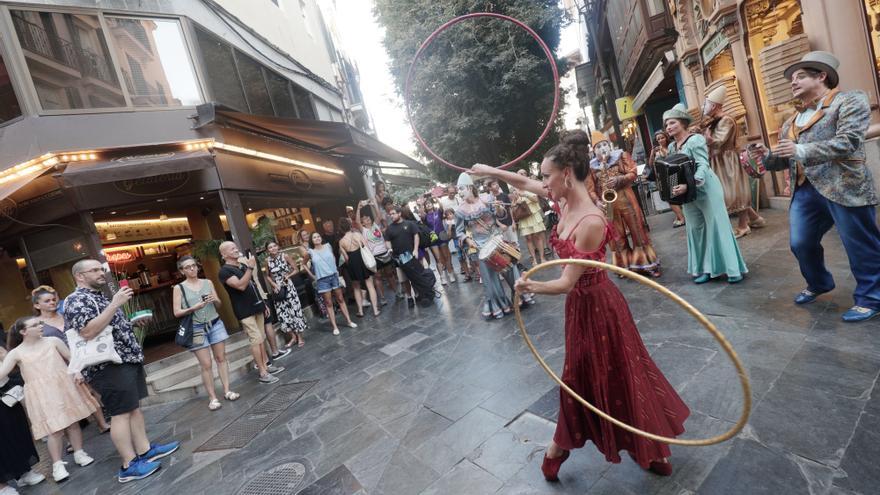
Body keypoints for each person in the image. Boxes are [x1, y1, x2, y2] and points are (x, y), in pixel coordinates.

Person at [471, 129, 689, 481]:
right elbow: (524, 183)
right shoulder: (562, 199)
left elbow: (565, 283)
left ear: (566, 175)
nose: (543, 183)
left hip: (599, 305)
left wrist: (528, 285)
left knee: (620, 371)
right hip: (579, 307)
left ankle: (640, 446)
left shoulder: (590, 221)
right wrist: (492, 171)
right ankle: (584, 445)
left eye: (547, 176)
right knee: (582, 376)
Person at [749, 51, 880, 322]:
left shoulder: (849, 99)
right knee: (801, 242)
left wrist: (800, 149)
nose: (792, 83)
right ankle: (819, 282)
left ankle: (872, 297)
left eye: (800, 76)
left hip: (843, 184)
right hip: (805, 190)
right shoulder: (790, 121)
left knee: (859, 243)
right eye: (791, 79)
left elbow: (849, 142)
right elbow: (787, 157)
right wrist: (767, 155)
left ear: (821, 76)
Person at [64, 259, 180, 483]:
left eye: (101, 269)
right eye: (95, 270)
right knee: (120, 413)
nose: (101, 273)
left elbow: (108, 326)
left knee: (133, 408)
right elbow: (88, 331)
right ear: (79, 276)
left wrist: (132, 323)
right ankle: (128, 464)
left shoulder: (98, 297)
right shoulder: (75, 300)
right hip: (107, 366)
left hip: (126, 359)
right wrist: (115, 304)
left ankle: (145, 450)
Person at [0, 317, 96, 482]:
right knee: (55, 429)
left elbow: (71, 358)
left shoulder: (53, 341)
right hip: (41, 394)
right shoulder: (16, 352)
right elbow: (2, 373)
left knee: (73, 422)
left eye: (40, 323)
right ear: (23, 331)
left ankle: (79, 453)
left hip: (63, 386)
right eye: (35, 325)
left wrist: (77, 371)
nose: (40, 326)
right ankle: (57, 465)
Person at [664, 104, 748, 283]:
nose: (668, 127)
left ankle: (732, 269)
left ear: (682, 123)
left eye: (672, 123)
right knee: (695, 229)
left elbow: (703, 164)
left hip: (706, 187)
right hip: (686, 193)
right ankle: (704, 269)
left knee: (718, 226)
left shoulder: (696, 140)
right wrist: (674, 186)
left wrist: (690, 184)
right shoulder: (671, 147)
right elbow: (674, 170)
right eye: (666, 125)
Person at [455, 173, 534, 319]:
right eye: (458, 189)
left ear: (469, 187)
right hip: (480, 246)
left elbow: (501, 214)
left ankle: (521, 297)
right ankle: (500, 306)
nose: (459, 192)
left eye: (461, 188)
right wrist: (467, 239)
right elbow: (458, 232)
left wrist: (498, 209)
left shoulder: (487, 199)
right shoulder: (460, 210)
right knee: (490, 278)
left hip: (497, 239)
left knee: (510, 269)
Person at [32, 286, 110, 433]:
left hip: (81, 356)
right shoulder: (36, 324)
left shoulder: (66, 315)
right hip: (58, 364)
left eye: (54, 299)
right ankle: (71, 436)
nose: (52, 302)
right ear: (37, 305)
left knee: (91, 391)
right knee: (68, 398)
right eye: (47, 301)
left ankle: (102, 423)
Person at [587, 130, 661, 277]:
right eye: (598, 147)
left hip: (626, 199)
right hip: (609, 205)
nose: (602, 149)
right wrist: (597, 201)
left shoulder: (621, 156)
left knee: (638, 231)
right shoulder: (592, 167)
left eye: (604, 145)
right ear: (594, 151)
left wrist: (620, 179)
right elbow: (590, 189)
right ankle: (624, 267)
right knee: (617, 237)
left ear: (609, 145)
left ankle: (647, 264)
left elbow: (633, 173)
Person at [172, 256, 239, 411]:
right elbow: (176, 312)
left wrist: (213, 300)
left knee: (221, 358)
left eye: (194, 265)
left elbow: (219, 304)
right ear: (182, 271)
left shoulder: (208, 282)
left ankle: (227, 390)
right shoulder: (179, 288)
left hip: (215, 323)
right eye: (187, 267)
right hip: (196, 328)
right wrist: (193, 308)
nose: (192, 269)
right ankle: (212, 398)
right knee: (206, 364)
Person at [702, 86, 766, 238]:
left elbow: (718, 142)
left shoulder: (726, 120)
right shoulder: (716, 121)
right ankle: (755, 219)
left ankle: (743, 226)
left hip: (727, 160)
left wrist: (705, 137)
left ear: (714, 105)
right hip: (720, 159)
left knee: (733, 192)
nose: (704, 107)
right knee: (732, 191)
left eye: (706, 103)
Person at [217, 243, 284, 384]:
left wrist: (263, 303)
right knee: (256, 339)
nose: (236, 249)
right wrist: (251, 267)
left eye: (236, 247)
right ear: (224, 255)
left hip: (257, 306)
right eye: (232, 249)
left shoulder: (242, 266)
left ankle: (266, 366)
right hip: (244, 310)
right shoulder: (224, 271)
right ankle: (262, 372)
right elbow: (241, 285)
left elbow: (252, 286)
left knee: (261, 338)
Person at [0, 338, 45, 492]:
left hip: (5, 392)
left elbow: (9, 362)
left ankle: (24, 472)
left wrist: (4, 355)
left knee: (18, 431)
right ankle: (2, 486)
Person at [301, 232, 357, 335]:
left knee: (340, 299)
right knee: (329, 303)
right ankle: (335, 327)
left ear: (321, 238)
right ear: (311, 240)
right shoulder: (310, 252)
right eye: (314, 237)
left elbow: (333, 258)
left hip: (334, 276)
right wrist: (312, 275)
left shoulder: (328, 246)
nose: (317, 238)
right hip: (322, 280)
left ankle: (349, 321)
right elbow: (303, 264)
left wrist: (334, 269)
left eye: (318, 236)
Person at [385, 205, 437, 307]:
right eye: (390, 214)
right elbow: (387, 241)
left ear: (399, 214)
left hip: (412, 256)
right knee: (404, 280)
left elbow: (416, 236)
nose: (391, 216)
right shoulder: (389, 229)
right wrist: (390, 249)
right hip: (399, 259)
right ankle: (409, 297)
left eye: (393, 213)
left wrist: (415, 250)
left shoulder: (409, 224)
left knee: (416, 277)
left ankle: (420, 294)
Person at [264, 242, 309, 347]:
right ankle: (293, 337)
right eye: (270, 247)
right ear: (267, 250)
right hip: (277, 289)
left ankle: (300, 337)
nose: (273, 248)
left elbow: (296, 269)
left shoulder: (285, 256)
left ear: (278, 246)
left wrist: (288, 276)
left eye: (274, 246)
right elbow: (268, 276)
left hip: (288, 287)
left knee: (294, 311)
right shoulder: (267, 261)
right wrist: (274, 285)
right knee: (283, 313)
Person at [338, 217, 381, 317]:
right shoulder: (358, 234)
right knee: (370, 285)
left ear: (341, 229)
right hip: (363, 260)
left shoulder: (341, 242)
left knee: (356, 287)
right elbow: (366, 247)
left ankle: (360, 311)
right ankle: (375, 310)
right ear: (350, 226)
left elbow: (346, 258)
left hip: (352, 264)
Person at [357, 200, 394, 303]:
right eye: (364, 219)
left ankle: (397, 292)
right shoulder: (363, 230)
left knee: (390, 274)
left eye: (368, 217)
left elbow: (378, 214)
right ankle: (382, 298)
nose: (367, 219)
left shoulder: (376, 225)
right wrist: (358, 208)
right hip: (374, 256)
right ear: (363, 222)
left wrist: (373, 205)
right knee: (378, 277)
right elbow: (357, 221)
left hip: (385, 253)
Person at [647, 130, 686, 228]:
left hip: (673, 173)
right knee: (668, 197)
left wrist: (663, 151)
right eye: (658, 139)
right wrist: (652, 153)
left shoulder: (672, 146)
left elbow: (672, 158)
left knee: (673, 196)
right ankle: (680, 216)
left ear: (666, 137)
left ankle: (681, 218)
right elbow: (651, 164)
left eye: (662, 137)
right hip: (661, 177)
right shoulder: (656, 150)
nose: (660, 140)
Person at [513, 169, 550, 264]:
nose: (521, 175)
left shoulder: (530, 186)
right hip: (524, 216)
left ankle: (542, 258)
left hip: (533, 213)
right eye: (519, 173)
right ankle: (534, 259)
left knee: (538, 236)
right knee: (528, 238)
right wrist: (516, 202)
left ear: (526, 175)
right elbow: (513, 205)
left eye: (523, 173)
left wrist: (524, 194)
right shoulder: (515, 189)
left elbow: (536, 200)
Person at [422, 198, 456, 284]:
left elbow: (441, 207)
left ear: (433, 204)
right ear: (425, 207)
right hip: (433, 239)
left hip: (442, 236)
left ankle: (450, 274)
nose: (428, 205)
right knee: (438, 258)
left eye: (430, 203)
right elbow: (421, 215)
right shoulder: (425, 216)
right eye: (426, 204)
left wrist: (436, 199)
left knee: (446, 256)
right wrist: (421, 205)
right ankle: (442, 277)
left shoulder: (438, 212)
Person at [296, 229, 329, 319]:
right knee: (318, 290)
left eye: (307, 234)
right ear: (301, 237)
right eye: (304, 235)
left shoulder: (312, 242)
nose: (306, 236)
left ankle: (331, 307)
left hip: (320, 266)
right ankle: (324, 311)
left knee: (326, 287)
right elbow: (307, 255)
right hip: (312, 269)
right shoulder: (301, 246)